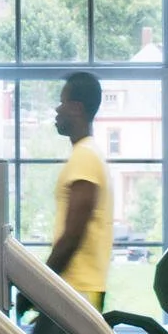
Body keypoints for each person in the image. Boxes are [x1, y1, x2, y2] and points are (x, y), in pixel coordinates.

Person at [46, 70, 112, 310]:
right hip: (75, 288)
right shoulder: (86, 154)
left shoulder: (85, 156)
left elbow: (72, 236)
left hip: (78, 290)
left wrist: (40, 285)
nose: (57, 110)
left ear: (76, 108)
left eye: (62, 102)